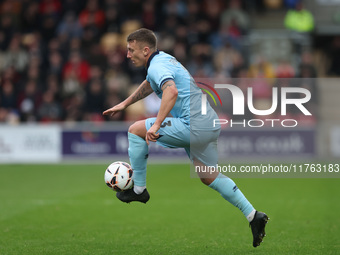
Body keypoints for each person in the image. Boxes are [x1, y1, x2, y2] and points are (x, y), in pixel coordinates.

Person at [103, 28, 268, 247]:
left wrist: (158, 124)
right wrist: (125, 103)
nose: (127, 54)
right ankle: (253, 215)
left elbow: (171, 92)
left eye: (131, 50)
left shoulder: (158, 65)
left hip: (194, 125)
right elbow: (150, 84)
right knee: (208, 176)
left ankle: (139, 190)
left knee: (135, 129)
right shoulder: (164, 60)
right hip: (209, 123)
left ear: (145, 50)